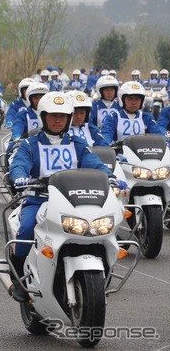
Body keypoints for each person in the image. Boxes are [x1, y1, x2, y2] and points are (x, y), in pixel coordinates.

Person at [9, 92, 121, 302]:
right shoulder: (29, 144)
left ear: (69, 118)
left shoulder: (77, 143)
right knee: (25, 230)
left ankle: (100, 271)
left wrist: (111, 177)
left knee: (100, 228)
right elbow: (19, 165)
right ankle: (19, 280)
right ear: (43, 117)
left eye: (62, 116)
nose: (58, 120)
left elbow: (94, 163)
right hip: (40, 200)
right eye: (52, 115)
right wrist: (20, 177)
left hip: (74, 201)